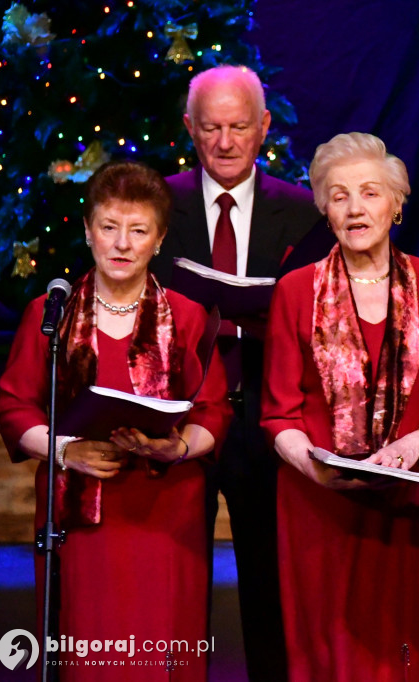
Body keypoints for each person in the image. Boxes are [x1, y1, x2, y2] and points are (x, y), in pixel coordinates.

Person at [261, 132, 419, 681]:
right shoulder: (295, 290)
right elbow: (277, 414)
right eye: (338, 196)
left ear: (397, 203)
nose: (355, 208)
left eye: (369, 192)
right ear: (323, 208)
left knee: (407, 653)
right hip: (320, 508)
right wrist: (314, 465)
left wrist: (416, 443)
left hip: (410, 510)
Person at [0, 160, 231, 679]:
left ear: (160, 239)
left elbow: (214, 409)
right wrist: (65, 450)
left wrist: (180, 447)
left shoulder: (188, 316)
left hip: (166, 513)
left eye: (138, 230)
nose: (122, 243)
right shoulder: (49, 314)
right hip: (77, 520)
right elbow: (14, 406)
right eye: (109, 227)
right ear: (87, 231)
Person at [149, 64, 325, 681]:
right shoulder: (156, 205)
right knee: (170, 578)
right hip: (177, 419)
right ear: (190, 128)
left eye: (240, 127)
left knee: (269, 583)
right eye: (212, 128)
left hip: (265, 420)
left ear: (264, 128)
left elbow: (307, 318)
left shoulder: (304, 212)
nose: (225, 143)